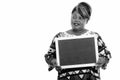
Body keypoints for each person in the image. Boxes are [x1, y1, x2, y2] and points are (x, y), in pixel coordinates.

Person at [44, 2, 111, 80]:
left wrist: (102, 60)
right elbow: (48, 56)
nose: (76, 20)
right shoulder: (60, 36)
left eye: (80, 18)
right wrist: (53, 61)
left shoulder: (94, 36)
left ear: (87, 20)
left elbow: (107, 55)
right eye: (74, 17)